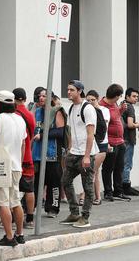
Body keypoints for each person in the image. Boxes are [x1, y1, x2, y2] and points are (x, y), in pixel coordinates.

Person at [0, 90, 27, 247]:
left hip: (0, 164)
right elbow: (23, 143)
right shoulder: (20, 120)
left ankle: (9, 237)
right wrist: (19, 163)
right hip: (16, 165)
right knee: (15, 201)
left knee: (3, 202)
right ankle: (20, 234)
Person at [60, 80, 96, 228]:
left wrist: (87, 156)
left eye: (72, 90)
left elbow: (90, 134)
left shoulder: (87, 109)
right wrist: (69, 148)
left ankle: (85, 216)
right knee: (65, 181)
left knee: (87, 187)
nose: (68, 92)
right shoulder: (71, 108)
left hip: (85, 155)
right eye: (68, 89)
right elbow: (71, 131)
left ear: (80, 91)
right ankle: (74, 212)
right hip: (73, 153)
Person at [31, 90, 66, 217]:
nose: (41, 98)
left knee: (53, 183)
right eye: (40, 96)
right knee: (34, 182)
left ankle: (52, 208)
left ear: (51, 98)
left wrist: (42, 135)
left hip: (52, 154)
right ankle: (29, 208)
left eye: (44, 96)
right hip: (37, 153)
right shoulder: (37, 112)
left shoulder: (57, 111)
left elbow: (60, 132)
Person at [100, 83, 130, 201]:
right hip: (110, 141)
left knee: (119, 167)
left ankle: (118, 191)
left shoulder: (115, 104)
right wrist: (106, 142)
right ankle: (108, 192)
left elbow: (116, 116)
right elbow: (103, 126)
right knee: (108, 168)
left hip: (120, 141)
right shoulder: (102, 106)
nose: (120, 98)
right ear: (116, 96)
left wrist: (121, 110)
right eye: (119, 96)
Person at [80, 90, 109, 206]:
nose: (90, 102)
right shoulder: (86, 111)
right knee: (95, 172)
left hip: (101, 144)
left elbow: (103, 128)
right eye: (88, 100)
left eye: (93, 100)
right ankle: (98, 197)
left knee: (91, 171)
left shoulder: (103, 111)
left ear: (98, 100)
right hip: (92, 144)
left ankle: (84, 195)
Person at [13, 88, 36, 228]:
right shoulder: (29, 114)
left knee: (13, 189)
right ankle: (30, 219)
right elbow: (32, 134)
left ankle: (13, 219)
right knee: (29, 189)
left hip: (16, 156)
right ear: (25, 99)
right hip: (28, 155)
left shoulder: (14, 115)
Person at [121, 87, 139, 196]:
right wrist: (138, 125)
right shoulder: (130, 108)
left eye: (137, 97)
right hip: (128, 139)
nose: (136, 99)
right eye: (134, 96)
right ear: (127, 96)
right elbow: (130, 124)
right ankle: (126, 186)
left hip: (121, 138)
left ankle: (121, 186)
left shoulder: (122, 105)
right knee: (127, 164)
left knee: (121, 164)